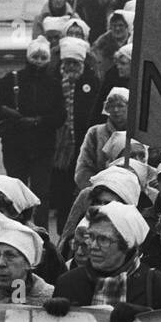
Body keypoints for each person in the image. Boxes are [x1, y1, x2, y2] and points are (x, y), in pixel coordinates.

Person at [0, 38, 66, 228]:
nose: (38, 61)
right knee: (15, 190)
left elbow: (60, 115)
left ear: (48, 59)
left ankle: (41, 232)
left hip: (43, 146)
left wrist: (39, 120)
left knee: (41, 192)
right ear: (28, 58)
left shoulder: (53, 84)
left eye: (43, 57)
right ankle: (15, 227)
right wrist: (6, 111)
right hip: (15, 145)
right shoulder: (13, 79)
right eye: (35, 56)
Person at [48, 36, 101, 234]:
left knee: (78, 190)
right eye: (67, 62)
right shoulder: (53, 79)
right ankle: (63, 231)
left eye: (74, 63)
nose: (70, 66)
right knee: (60, 191)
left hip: (81, 144)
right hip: (58, 147)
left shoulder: (91, 81)